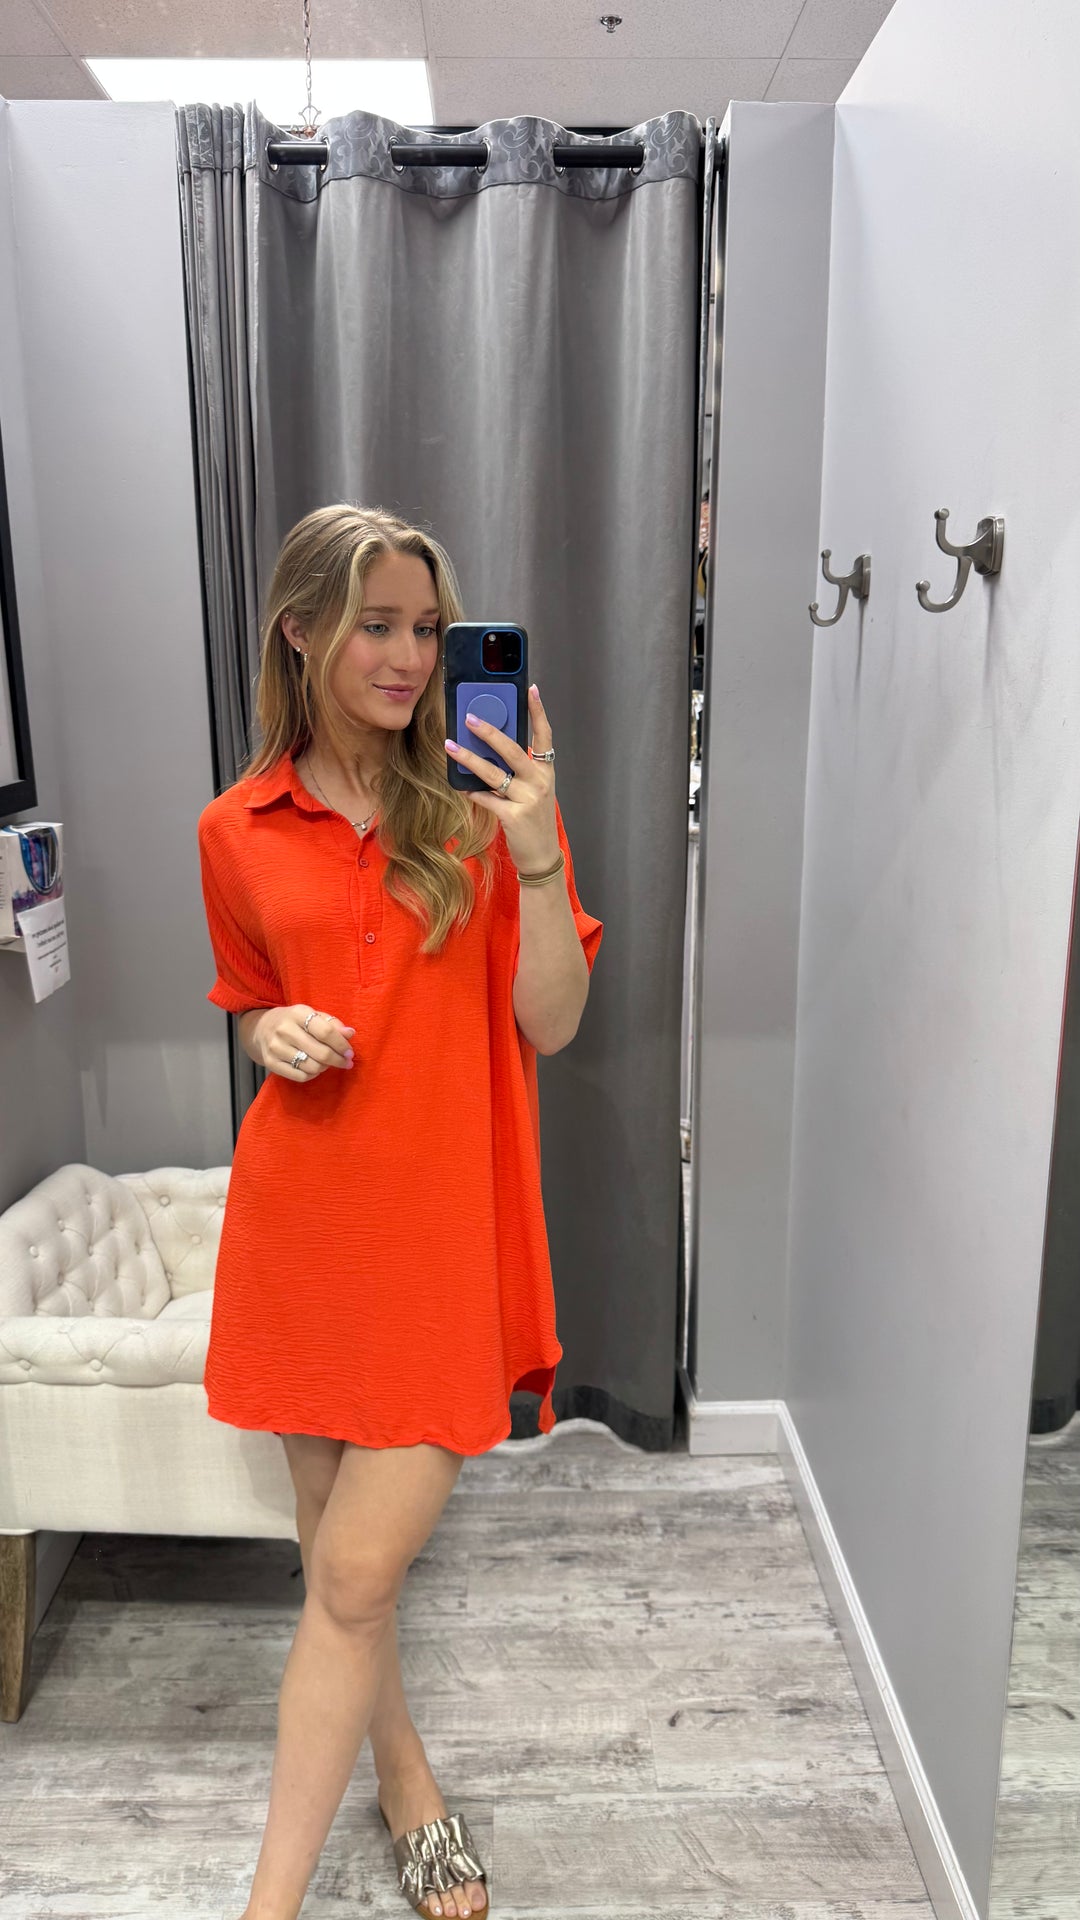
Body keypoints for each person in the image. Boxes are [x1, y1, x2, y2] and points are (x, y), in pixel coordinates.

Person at [196, 503, 604, 1920]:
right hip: (305, 1231)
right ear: (300, 630)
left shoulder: (482, 809)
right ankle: (407, 1778)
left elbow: (553, 1022)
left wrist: (535, 853)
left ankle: (266, 1907)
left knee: (355, 1574)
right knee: (340, 1572)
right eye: (375, 625)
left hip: (440, 1245)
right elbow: (251, 997)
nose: (411, 657)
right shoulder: (234, 830)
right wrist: (267, 1032)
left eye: (427, 628)